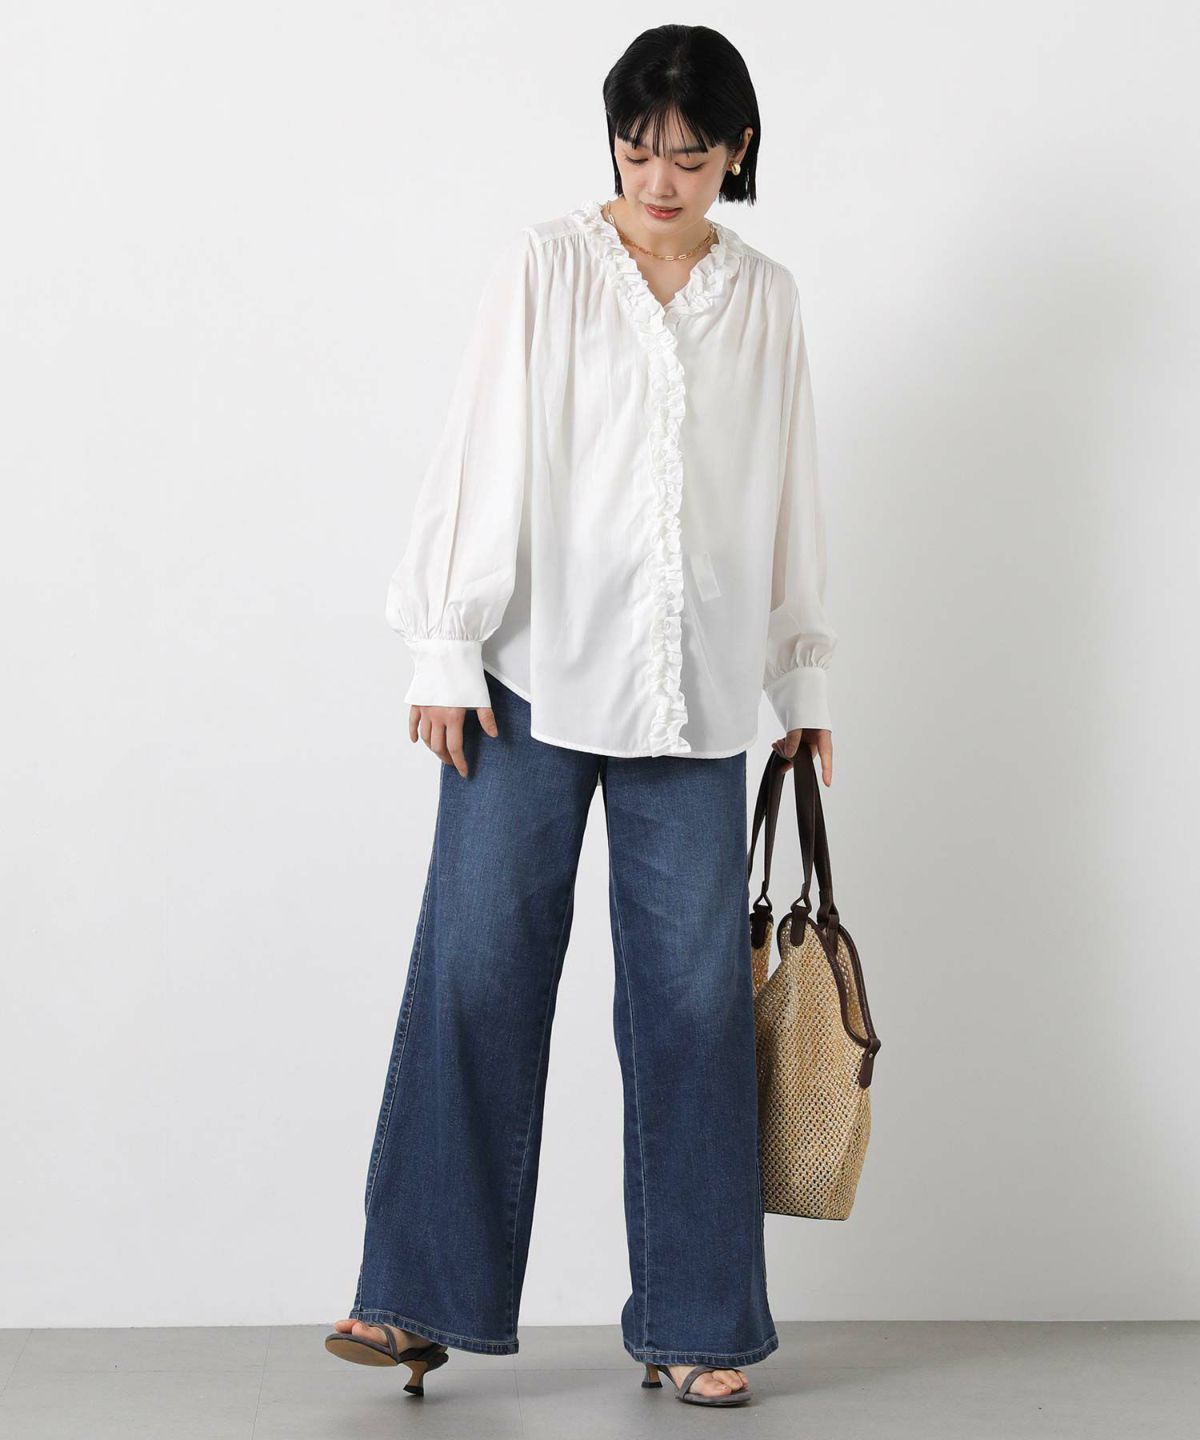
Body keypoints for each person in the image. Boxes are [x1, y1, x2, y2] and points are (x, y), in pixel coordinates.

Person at [326, 22, 837, 1409]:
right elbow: (481, 448)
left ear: (738, 150)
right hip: (528, 685)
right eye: (637, 146)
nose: (659, 178)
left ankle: (699, 1320)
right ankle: (414, 1298)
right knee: (478, 974)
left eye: (691, 152)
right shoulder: (546, 267)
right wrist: (444, 646)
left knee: (692, 1008)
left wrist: (802, 679)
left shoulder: (767, 299)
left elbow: (788, 486)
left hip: (695, 698)